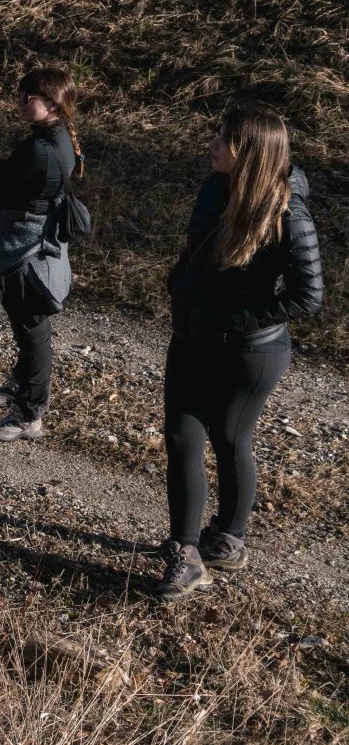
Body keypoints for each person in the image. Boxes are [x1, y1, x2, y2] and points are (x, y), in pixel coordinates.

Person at [155, 104, 321, 602]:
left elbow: (308, 296)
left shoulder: (289, 213)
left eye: (223, 139)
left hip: (249, 353)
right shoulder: (214, 187)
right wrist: (180, 277)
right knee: (182, 437)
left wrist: (236, 321)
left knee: (230, 439)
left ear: (250, 151)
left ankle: (228, 538)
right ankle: (185, 556)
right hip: (191, 335)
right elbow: (197, 245)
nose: (213, 144)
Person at [0, 68, 84, 442]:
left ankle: (30, 414)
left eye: (27, 96)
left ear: (50, 103)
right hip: (36, 244)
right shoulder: (58, 138)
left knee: (32, 330)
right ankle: (19, 388)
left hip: (27, 251)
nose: (19, 101)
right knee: (27, 326)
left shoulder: (39, 149)